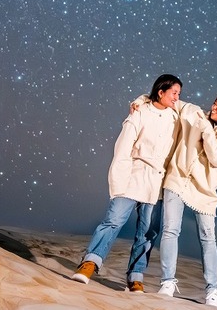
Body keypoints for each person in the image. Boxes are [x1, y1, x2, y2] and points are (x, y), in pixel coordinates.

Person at [71, 74, 182, 292]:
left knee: (148, 231)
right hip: (134, 175)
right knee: (113, 220)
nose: (177, 98)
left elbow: (192, 112)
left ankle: (135, 276)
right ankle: (90, 262)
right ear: (161, 92)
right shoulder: (140, 113)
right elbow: (122, 148)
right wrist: (118, 182)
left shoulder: (175, 117)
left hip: (157, 181)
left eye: (179, 93)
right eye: (174, 93)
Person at [155, 93, 217, 308]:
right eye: (214, 102)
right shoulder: (195, 113)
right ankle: (167, 282)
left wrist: (207, 131)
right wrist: (138, 103)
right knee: (170, 230)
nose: (214, 106)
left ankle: (212, 291)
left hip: (204, 191)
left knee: (207, 238)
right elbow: (166, 99)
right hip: (177, 178)